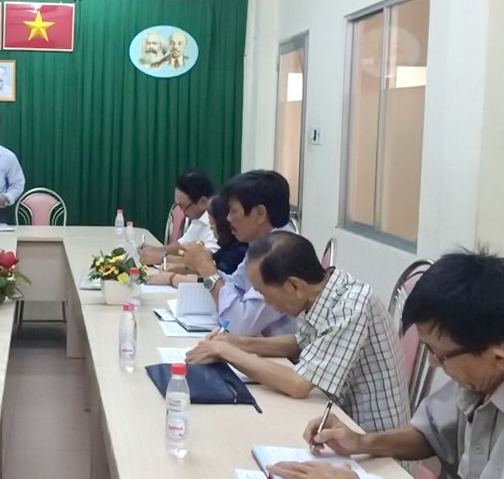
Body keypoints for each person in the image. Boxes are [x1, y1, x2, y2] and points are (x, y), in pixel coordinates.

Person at [302, 250, 504, 479]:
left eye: (440, 355)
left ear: (498, 358)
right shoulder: (478, 379)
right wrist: (361, 442)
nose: (433, 362)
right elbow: (431, 434)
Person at [186, 232, 409, 432]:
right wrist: (237, 343)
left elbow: (298, 384)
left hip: (370, 441)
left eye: (264, 292)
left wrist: (227, 352)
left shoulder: (352, 306)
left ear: (293, 286)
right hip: (333, 419)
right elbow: (300, 343)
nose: (265, 301)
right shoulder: (323, 288)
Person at [181, 170, 296, 337]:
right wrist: (205, 268)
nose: (228, 218)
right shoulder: (260, 244)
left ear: (259, 214)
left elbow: (241, 325)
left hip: (275, 350)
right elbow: (234, 286)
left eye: (233, 211)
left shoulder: (281, 254)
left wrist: (207, 269)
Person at [140, 169, 218, 272]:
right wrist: (156, 250)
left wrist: (162, 257)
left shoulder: (216, 224)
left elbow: (206, 263)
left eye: (183, 206)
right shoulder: (198, 218)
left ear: (202, 202)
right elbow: (181, 244)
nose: (181, 212)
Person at [206, 194, 248, 275]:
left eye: (212, 223)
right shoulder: (226, 249)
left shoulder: (239, 252)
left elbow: (218, 279)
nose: (211, 228)